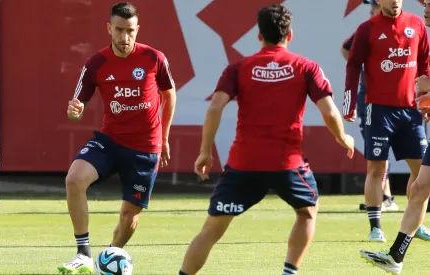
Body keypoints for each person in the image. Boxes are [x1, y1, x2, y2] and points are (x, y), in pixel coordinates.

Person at [177, 5, 354, 275]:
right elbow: (329, 111)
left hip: (243, 165)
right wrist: (343, 138)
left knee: (211, 229)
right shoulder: (306, 67)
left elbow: (214, 108)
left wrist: (205, 152)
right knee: (308, 211)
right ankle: (289, 272)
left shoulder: (239, 68)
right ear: (290, 35)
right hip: (287, 164)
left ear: (259, 35)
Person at [57, 2, 177, 274]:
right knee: (74, 179)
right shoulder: (95, 64)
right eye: (119, 30)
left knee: (129, 218)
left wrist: (165, 137)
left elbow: (169, 95)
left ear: (138, 29)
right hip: (109, 141)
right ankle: (84, 254)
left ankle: (109, 258)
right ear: (109, 28)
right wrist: (75, 111)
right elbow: (78, 104)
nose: (125, 38)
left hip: (146, 149)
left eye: (130, 31)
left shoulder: (154, 58)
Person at [343, 0, 430, 243]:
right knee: (377, 169)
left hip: (410, 112)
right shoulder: (367, 28)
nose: (395, 2)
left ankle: (416, 224)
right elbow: (352, 65)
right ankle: (375, 226)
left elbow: (425, 64)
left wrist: (426, 98)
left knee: (422, 171)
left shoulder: (417, 24)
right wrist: (348, 102)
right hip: (378, 111)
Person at [341, 0, 399, 213]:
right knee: (377, 152)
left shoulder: (406, 26)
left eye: (373, 5)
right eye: (371, 5)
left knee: (383, 153)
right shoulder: (368, 28)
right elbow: (346, 50)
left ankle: (386, 197)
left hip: (397, 102)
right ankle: (384, 197)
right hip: (370, 100)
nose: (371, 9)